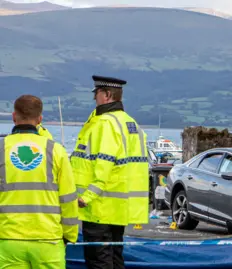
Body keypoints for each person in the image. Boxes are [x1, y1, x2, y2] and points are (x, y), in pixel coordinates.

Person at [70, 75, 149, 269]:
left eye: (96, 93)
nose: (94, 98)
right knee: (115, 259)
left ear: (106, 95)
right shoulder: (131, 124)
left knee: (99, 261)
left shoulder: (105, 123)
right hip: (119, 208)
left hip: (99, 207)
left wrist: (87, 197)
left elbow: (104, 164)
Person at [0, 95, 79, 268]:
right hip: (48, 240)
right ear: (40, 119)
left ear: (14, 116)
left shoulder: (1, 149)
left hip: (9, 240)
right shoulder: (55, 150)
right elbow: (68, 198)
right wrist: (69, 235)